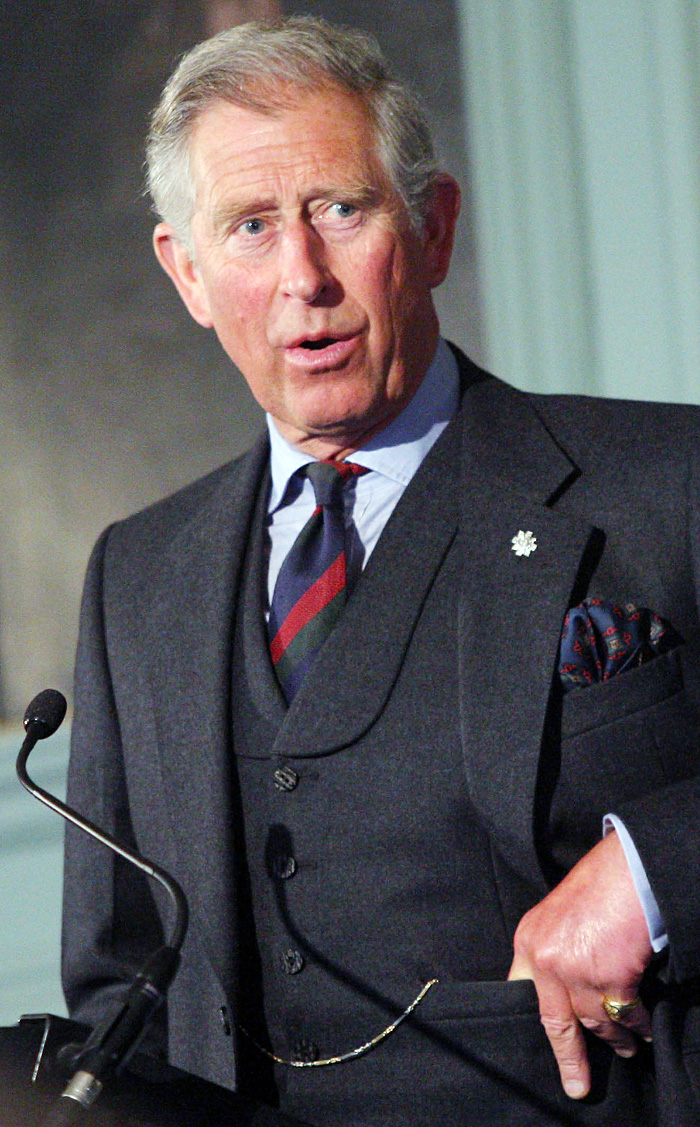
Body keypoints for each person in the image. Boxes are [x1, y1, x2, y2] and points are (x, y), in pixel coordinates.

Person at [61, 16, 700, 1127]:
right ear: (188, 273)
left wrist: (653, 869)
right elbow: (121, 985)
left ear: (435, 226)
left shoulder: (664, 478)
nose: (302, 275)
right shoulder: (138, 573)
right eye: (249, 227)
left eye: (339, 210)